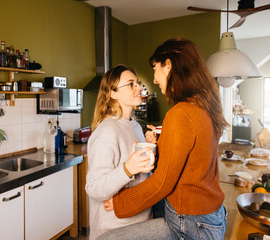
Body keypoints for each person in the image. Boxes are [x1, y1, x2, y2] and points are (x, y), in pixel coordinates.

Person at [100, 38, 228, 240]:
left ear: (168, 66)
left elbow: (162, 183)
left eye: (154, 69)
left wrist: (120, 203)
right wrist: (163, 144)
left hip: (190, 222)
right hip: (210, 216)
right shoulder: (205, 105)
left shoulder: (181, 113)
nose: (154, 78)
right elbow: (195, 157)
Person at [86, 64, 161, 240]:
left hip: (139, 222)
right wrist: (127, 169)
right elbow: (94, 188)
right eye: (131, 84)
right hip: (115, 230)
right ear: (113, 93)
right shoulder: (106, 131)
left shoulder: (134, 125)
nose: (139, 88)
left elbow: (142, 173)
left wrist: (152, 151)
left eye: (137, 83)